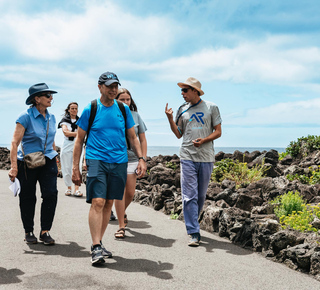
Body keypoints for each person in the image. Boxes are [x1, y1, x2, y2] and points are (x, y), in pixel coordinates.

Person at [72, 72, 147, 265]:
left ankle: (99, 242)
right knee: (98, 201)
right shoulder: (91, 108)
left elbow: (133, 137)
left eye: (116, 86)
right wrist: (75, 167)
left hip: (119, 161)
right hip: (97, 159)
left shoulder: (123, 109)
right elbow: (79, 140)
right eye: (109, 86)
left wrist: (141, 159)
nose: (113, 90)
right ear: (100, 87)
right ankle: (96, 246)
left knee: (108, 203)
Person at [165, 77, 222, 247]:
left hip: (206, 157)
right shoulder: (182, 110)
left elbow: (218, 132)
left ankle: (193, 224)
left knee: (200, 195)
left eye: (185, 90)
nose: (182, 94)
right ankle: (193, 232)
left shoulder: (212, 107)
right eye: (181, 90)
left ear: (195, 91)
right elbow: (178, 133)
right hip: (187, 156)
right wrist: (169, 118)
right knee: (189, 195)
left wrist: (204, 140)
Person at [8, 83, 59, 245]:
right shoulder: (25, 116)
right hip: (28, 162)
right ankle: (28, 230)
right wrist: (14, 166)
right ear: (37, 99)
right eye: (48, 95)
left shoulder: (52, 117)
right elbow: (15, 143)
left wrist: (55, 158)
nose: (51, 98)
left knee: (51, 194)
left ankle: (45, 231)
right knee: (28, 197)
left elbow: (51, 140)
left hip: (48, 160)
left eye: (51, 95)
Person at [114, 88, 147, 238]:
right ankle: (121, 225)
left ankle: (119, 211)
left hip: (133, 158)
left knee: (130, 193)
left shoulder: (135, 116)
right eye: (122, 99)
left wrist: (143, 159)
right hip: (116, 158)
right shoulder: (111, 114)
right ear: (116, 99)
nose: (126, 102)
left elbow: (142, 139)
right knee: (119, 193)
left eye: (128, 99)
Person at [58, 102, 83, 197]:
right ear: (68, 110)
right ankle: (68, 187)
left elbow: (83, 133)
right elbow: (66, 133)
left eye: (76, 108)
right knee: (66, 166)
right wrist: (79, 133)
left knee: (78, 165)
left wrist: (78, 134)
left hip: (78, 144)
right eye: (72, 108)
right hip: (67, 145)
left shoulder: (80, 120)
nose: (74, 110)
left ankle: (77, 189)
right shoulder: (64, 120)